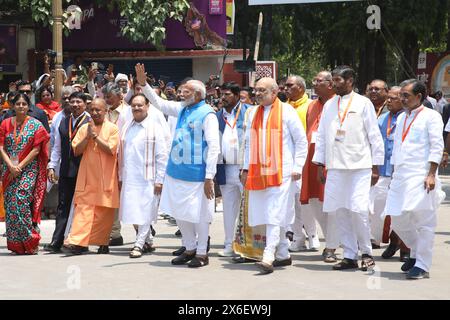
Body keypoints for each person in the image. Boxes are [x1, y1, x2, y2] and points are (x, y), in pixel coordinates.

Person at [135, 63, 220, 268]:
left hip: (198, 175)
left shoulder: (207, 113)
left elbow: (214, 147)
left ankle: (201, 253)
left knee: (200, 214)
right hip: (176, 172)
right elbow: (159, 103)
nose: (181, 94)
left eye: (186, 91)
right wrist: (144, 84)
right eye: (181, 91)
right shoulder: (183, 108)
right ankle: (189, 248)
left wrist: (209, 177)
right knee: (180, 213)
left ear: (198, 94)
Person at [312, 66, 384, 271]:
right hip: (335, 166)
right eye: (333, 80)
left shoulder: (363, 103)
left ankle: (367, 253)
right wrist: (320, 164)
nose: (334, 84)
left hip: (360, 166)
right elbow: (321, 136)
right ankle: (350, 255)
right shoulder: (329, 105)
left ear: (350, 80)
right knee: (340, 210)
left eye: (337, 80)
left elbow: (374, 136)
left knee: (358, 210)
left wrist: (375, 167)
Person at [241, 77, 308, 274]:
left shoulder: (287, 111)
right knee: (270, 212)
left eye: (262, 90)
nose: (257, 94)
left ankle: (268, 255)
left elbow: (301, 141)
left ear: (275, 91)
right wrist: (245, 169)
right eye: (256, 90)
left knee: (274, 212)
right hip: (258, 171)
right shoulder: (252, 113)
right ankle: (283, 253)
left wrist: (298, 166)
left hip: (282, 172)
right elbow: (248, 144)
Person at [385, 79, 445, 279]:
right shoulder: (402, 117)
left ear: (419, 97)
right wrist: (394, 172)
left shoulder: (432, 117)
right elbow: (398, 148)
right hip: (401, 175)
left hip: (421, 174)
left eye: (406, 96)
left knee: (423, 221)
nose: (401, 99)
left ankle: (422, 265)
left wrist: (431, 174)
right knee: (396, 217)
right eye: (400, 95)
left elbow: (437, 146)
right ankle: (415, 251)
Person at [66, 98, 120, 254]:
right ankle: (78, 243)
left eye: (99, 110)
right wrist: (88, 137)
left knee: (104, 212)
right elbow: (76, 150)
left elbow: (111, 149)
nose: (95, 113)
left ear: (105, 111)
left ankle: (102, 242)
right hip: (87, 177)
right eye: (93, 110)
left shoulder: (112, 128)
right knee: (83, 210)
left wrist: (95, 137)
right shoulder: (84, 129)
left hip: (105, 177)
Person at [119, 94, 170, 258]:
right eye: (133, 105)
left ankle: (139, 244)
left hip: (149, 178)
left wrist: (160, 180)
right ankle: (147, 240)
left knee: (146, 211)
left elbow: (162, 156)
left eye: (140, 105)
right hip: (129, 177)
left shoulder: (155, 128)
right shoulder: (127, 126)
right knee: (133, 212)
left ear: (148, 106)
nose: (136, 108)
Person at [0, 93, 50, 254]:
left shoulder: (36, 125)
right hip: (9, 169)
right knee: (10, 204)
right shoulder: (6, 123)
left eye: (24, 104)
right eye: (18, 104)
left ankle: (30, 240)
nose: (21, 106)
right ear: (13, 106)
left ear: (29, 107)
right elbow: (1, 147)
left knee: (20, 200)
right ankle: (17, 245)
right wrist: (10, 166)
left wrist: (19, 167)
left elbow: (37, 149)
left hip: (28, 169)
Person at [299, 71, 339, 262]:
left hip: (333, 162)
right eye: (313, 80)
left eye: (318, 81)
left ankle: (334, 244)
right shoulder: (312, 105)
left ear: (331, 84)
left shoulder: (339, 104)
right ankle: (330, 240)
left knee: (332, 204)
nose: (314, 83)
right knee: (315, 202)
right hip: (311, 161)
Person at [44, 92, 91, 253]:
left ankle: (80, 242)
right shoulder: (64, 121)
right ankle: (57, 240)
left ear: (85, 104)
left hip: (85, 170)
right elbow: (57, 146)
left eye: (79, 101)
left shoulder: (90, 121)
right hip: (66, 170)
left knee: (82, 206)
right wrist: (52, 165)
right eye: (73, 102)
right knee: (63, 205)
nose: (75, 104)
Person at [370, 86, 410, 261]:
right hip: (383, 172)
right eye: (389, 98)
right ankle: (381, 240)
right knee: (379, 209)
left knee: (402, 211)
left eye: (393, 98)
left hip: (402, 173)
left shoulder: (408, 119)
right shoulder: (382, 119)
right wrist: (374, 168)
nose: (389, 101)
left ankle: (403, 247)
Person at [215, 82, 250, 257]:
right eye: (222, 94)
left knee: (249, 208)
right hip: (225, 167)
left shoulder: (249, 111)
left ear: (237, 95)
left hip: (244, 169)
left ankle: (248, 245)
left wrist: (247, 166)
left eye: (227, 94)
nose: (223, 97)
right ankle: (229, 244)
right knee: (229, 208)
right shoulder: (217, 115)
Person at [284, 75, 316, 251]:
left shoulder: (311, 105)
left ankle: (312, 235)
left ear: (301, 88)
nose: (285, 89)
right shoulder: (284, 107)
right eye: (284, 86)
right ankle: (298, 237)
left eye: (290, 85)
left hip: (306, 158)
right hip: (288, 159)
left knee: (305, 200)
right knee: (293, 201)